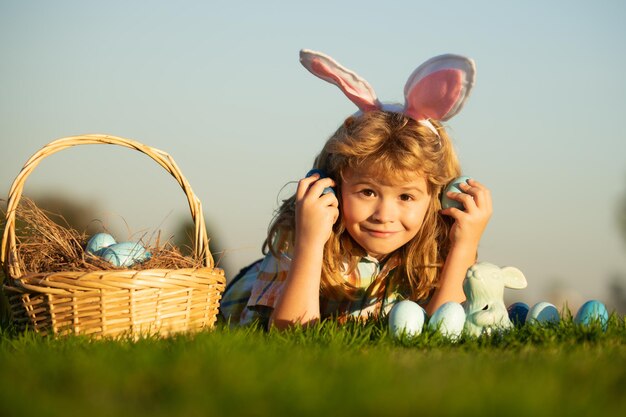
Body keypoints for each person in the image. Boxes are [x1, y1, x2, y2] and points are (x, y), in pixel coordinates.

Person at [219, 49, 492, 330]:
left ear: (438, 197)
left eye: (406, 196)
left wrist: (465, 245)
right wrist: (310, 243)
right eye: (368, 192)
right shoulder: (299, 234)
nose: (384, 215)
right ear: (331, 188)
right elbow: (291, 332)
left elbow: (443, 332)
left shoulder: (437, 243)